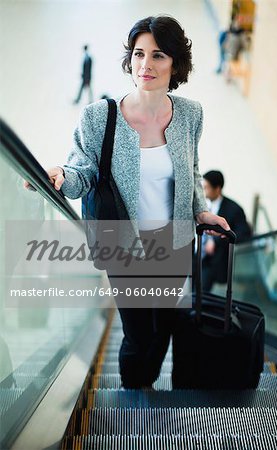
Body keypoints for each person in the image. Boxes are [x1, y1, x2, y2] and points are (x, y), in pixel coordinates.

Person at [25, 16, 230, 389]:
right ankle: (135, 390)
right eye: (138, 54)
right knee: (138, 333)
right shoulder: (98, 117)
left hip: (175, 243)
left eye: (158, 55)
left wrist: (200, 209)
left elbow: (192, 166)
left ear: (175, 64)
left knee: (164, 326)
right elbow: (82, 171)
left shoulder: (189, 114)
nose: (145, 65)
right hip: (125, 247)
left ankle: (148, 381)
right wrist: (61, 176)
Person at [198, 170, 252, 292]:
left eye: (206, 188)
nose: (203, 191)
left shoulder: (234, 209)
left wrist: (216, 241)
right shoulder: (200, 204)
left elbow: (244, 234)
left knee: (200, 295)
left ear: (217, 189)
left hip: (212, 262)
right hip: (194, 256)